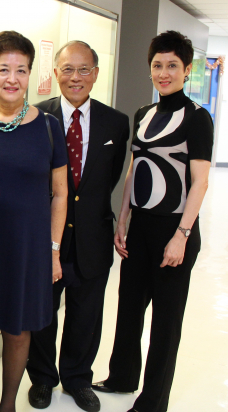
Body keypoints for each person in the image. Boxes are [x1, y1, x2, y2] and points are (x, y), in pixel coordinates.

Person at [92, 30, 213, 412]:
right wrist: (123, 217)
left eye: (172, 66)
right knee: (128, 308)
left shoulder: (197, 119)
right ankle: (122, 377)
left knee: (165, 322)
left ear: (187, 70)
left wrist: (182, 235)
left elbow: (201, 181)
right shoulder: (143, 115)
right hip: (140, 226)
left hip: (174, 229)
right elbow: (133, 169)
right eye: (157, 65)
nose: (164, 73)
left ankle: (153, 400)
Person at [0, 30, 68, 412]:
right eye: (3, 69)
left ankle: (8, 402)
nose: (12, 78)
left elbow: (59, 194)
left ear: (29, 75)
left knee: (17, 326)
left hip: (27, 243)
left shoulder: (48, 127)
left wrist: (53, 250)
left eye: (21, 70)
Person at [26, 41, 130, 412]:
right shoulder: (36, 118)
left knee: (86, 313)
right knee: (41, 312)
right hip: (45, 237)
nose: (75, 77)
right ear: (55, 73)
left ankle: (76, 379)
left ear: (96, 74)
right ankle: (41, 379)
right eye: (68, 69)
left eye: (84, 69)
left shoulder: (116, 122)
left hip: (92, 236)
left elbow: (109, 178)